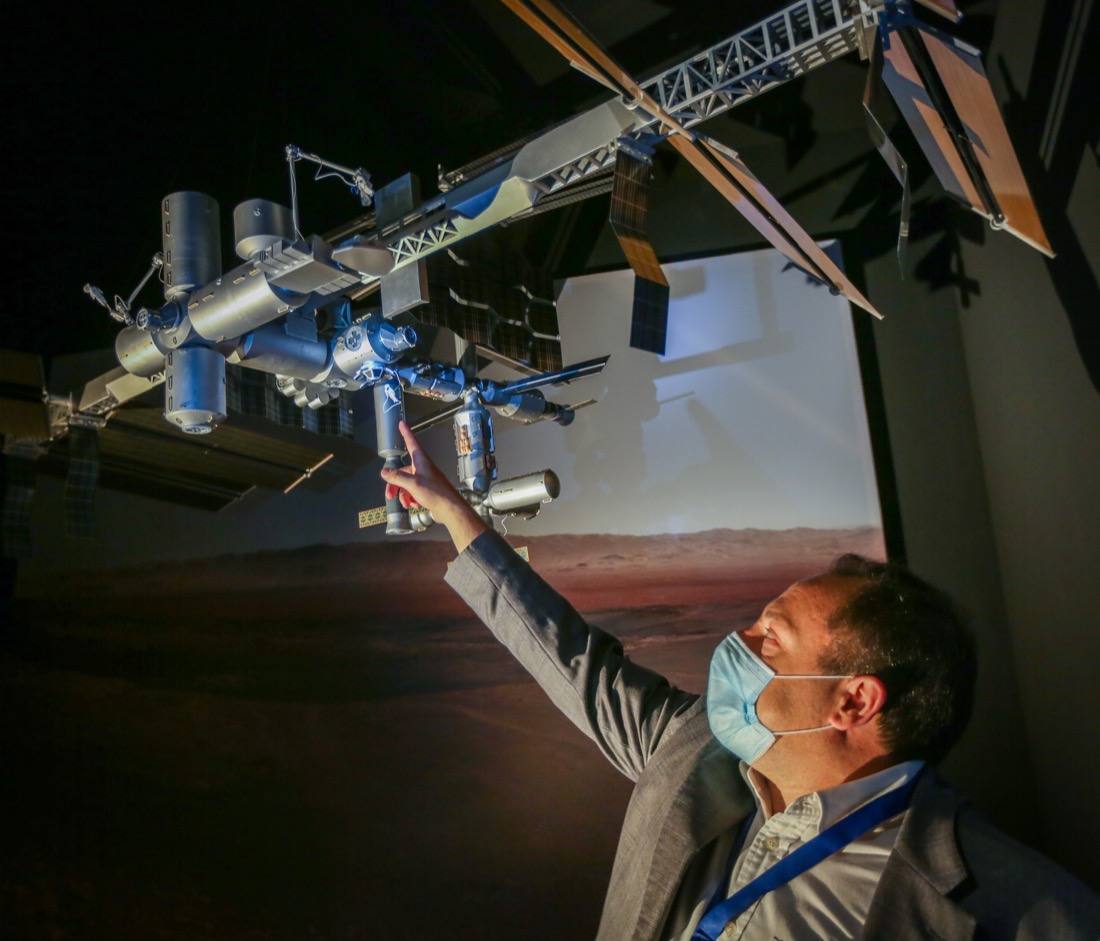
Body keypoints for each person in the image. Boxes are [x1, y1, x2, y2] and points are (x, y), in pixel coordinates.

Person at [380, 421, 1100, 940]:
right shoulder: (692, 752)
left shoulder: (1008, 902)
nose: (738, 642)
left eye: (769, 637)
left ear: (853, 698)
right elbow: (573, 661)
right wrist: (459, 520)